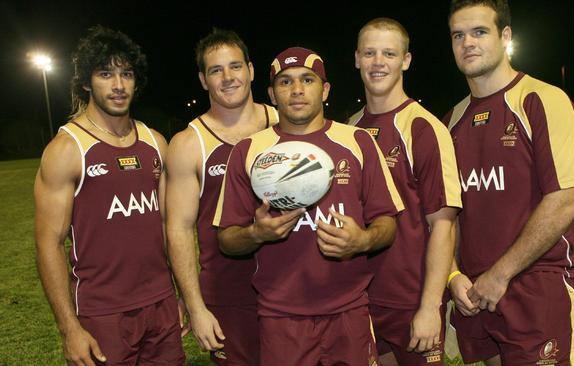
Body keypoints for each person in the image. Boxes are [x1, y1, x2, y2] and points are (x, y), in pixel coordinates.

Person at [213, 47, 404, 366]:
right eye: (285, 82)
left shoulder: (357, 142)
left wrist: (363, 240)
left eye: (307, 79)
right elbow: (226, 239)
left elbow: (387, 222)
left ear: (325, 89)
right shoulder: (249, 151)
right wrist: (257, 234)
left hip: (349, 311)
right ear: (272, 94)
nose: (297, 90)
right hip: (281, 316)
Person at [444, 1, 574, 365]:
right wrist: (453, 276)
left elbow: (565, 200)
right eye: (458, 35)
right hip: (475, 294)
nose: (468, 43)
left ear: (505, 36)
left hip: (536, 287)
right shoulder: (450, 121)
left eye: (480, 32)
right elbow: (445, 215)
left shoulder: (543, 100)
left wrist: (501, 273)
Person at [34, 25, 184, 366]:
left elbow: (167, 226)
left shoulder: (155, 143)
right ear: (87, 82)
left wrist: (182, 294)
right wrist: (69, 328)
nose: (118, 85)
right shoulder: (66, 150)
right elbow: (48, 243)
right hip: (102, 314)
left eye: (126, 74)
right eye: (106, 74)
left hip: (161, 305)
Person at [348, 17, 462, 365]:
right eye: (369, 52)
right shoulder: (350, 128)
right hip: (363, 298)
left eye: (388, 53)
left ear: (405, 60)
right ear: (356, 59)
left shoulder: (423, 127)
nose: (378, 62)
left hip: (412, 299)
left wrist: (430, 307)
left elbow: (443, 224)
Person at [166, 28, 278, 365]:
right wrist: (196, 306)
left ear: (251, 70)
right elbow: (179, 230)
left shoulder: (284, 123)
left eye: (235, 67)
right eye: (216, 70)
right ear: (203, 79)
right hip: (228, 294)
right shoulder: (189, 143)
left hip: (291, 286)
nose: (228, 78)